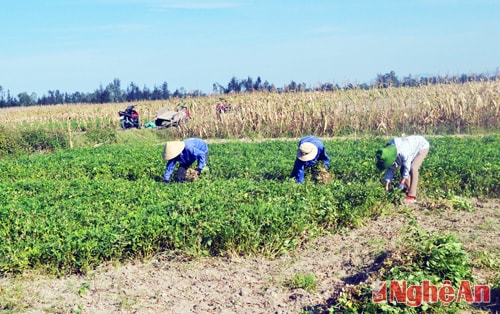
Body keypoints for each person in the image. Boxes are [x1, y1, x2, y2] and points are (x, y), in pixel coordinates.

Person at [375, 135, 430, 204]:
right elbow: (390, 169)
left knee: (413, 168)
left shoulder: (403, 152)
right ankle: (408, 190)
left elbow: (407, 168)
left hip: (422, 146)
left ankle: (412, 196)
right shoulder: (388, 153)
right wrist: (387, 182)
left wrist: (402, 182)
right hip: (411, 148)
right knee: (402, 170)